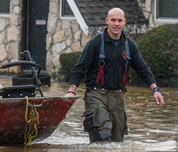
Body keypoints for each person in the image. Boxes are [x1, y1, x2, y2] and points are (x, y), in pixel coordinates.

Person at [65, 7, 165, 143]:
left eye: (119, 20)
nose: (116, 24)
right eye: (113, 20)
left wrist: (155, 90)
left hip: (118, 97)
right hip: (96, 95)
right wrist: (71, 90)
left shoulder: (130, 46)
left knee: (117, 142)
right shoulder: (95, 43)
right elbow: (79, 68)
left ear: (124, 22)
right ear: (107, 21)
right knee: (102, 136)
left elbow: (143, 69)